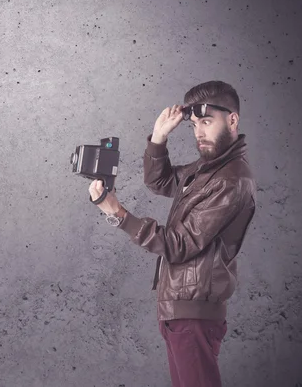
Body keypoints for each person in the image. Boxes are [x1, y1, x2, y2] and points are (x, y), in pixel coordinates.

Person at [89, 80, 257, 386]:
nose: (199, 133)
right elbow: (161, 182)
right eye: (194, 125)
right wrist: (158, 138)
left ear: (232, 120)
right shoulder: (209, 169)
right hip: (180, 311)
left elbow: (179, 244)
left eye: (206, 122)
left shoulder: (231, 180)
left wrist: (119, 215)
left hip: (193, 314)